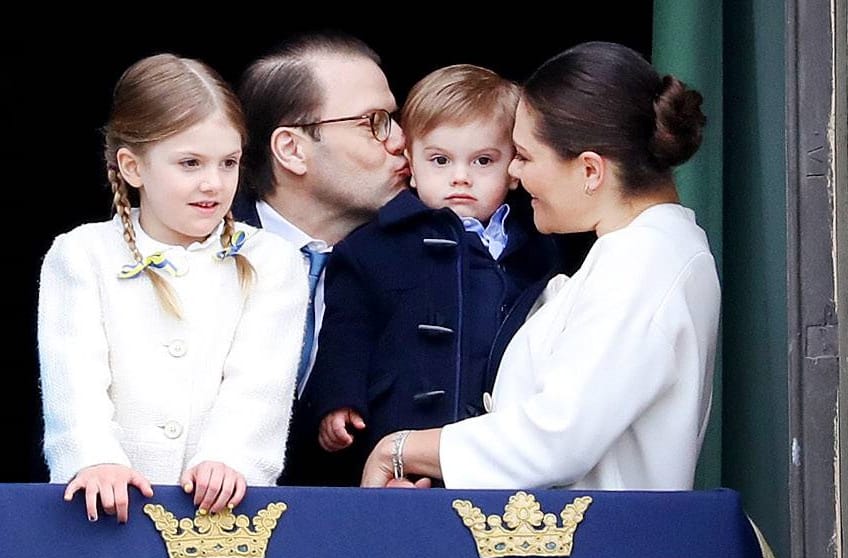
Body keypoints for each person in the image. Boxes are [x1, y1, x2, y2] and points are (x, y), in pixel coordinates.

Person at [361, 41, 720, 491]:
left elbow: (555, 439)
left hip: (592, 551)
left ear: (590, 170)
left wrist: (400, 449)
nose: (515, 177)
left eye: (525, 157)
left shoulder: (642, 262)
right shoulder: (633, 253)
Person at [37, 53, 308, 522]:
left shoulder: (272, 260)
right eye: (190, 162)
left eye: (228, 163)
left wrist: (231, 457)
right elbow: (74, 374)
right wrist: (94, 456)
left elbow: (261, 381)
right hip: (105, 510)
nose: (213, 183)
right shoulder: (81, 254)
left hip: (221, 512)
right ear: (132, 167)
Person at [307, 64, 571, 486]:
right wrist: (338, 399)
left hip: (500, 456)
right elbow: (346, 331)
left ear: (515, 166)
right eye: (440, 160)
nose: (460, 176)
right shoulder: (371, 246)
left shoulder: (538, 249)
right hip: (399, 444)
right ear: (410, 161)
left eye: (484, 160)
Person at [233, 31, 410, 485]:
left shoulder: (429, 255)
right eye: (375, 122)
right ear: (292, 149)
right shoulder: (195, 251)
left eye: (396, 119)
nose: (402, 141)